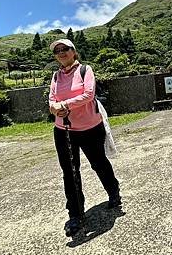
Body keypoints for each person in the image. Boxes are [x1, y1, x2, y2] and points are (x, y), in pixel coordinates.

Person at [48, 38, 121, 236]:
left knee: (98, 163)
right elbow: (52, 101)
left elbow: (89, 94)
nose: (61, 52)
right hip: (63, 130)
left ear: (74, 51)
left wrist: (63, 105)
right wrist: (55, 108)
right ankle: (75, 214)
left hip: (90, 127)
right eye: (57, 51)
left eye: (65, 49)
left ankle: (114, 192)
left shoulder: (85, 70)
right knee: (70, 173)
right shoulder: (55, 76)